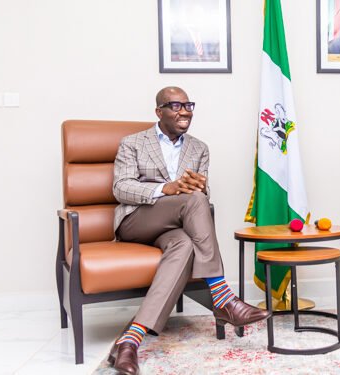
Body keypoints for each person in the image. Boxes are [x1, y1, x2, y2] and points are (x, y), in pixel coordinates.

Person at [108, 86, 270, 374]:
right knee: (194, 202)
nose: (184, 111)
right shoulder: (132, 143)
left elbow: (201, 194)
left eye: (188, 105)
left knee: (184, 242)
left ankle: (130, 340)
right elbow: (120, 188)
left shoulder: (199, 148)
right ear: (159, 112)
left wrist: (200, 188)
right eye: (175, 105)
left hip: (176, 227)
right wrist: (165, 189)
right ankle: (222, 296)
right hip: (138, 220)